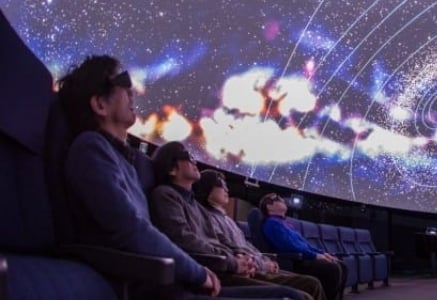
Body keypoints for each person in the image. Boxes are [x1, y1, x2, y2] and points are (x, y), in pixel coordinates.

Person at [60, 54, 303, 300]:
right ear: (100, 104)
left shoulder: (123, 161)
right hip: (144, 285)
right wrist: (198, 273)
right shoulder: (91, 148)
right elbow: (130, 230)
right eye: (122, 81)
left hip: (166, 281)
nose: (132, 90)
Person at [194, 170, 327, 300]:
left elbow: (245, 245)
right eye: (222, 185)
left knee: (312, 283)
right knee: (310, 285)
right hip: (240, 270)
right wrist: (262, 264)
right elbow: (230, 249)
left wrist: (265, 260)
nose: (227, 189)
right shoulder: (207, 218)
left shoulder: (227, 219)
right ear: (207, 189)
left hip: (255, 264)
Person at [260, 193, 348, 300]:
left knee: (341, 265)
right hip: (296, 261)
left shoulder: (285, 223)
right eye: (278, 199)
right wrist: (315, 256)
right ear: (269, 206)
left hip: (305, 257)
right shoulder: (271, 223)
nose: (282, 200)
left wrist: (322, 253)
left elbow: (305, 245)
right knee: (332, 268)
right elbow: (289, 247)